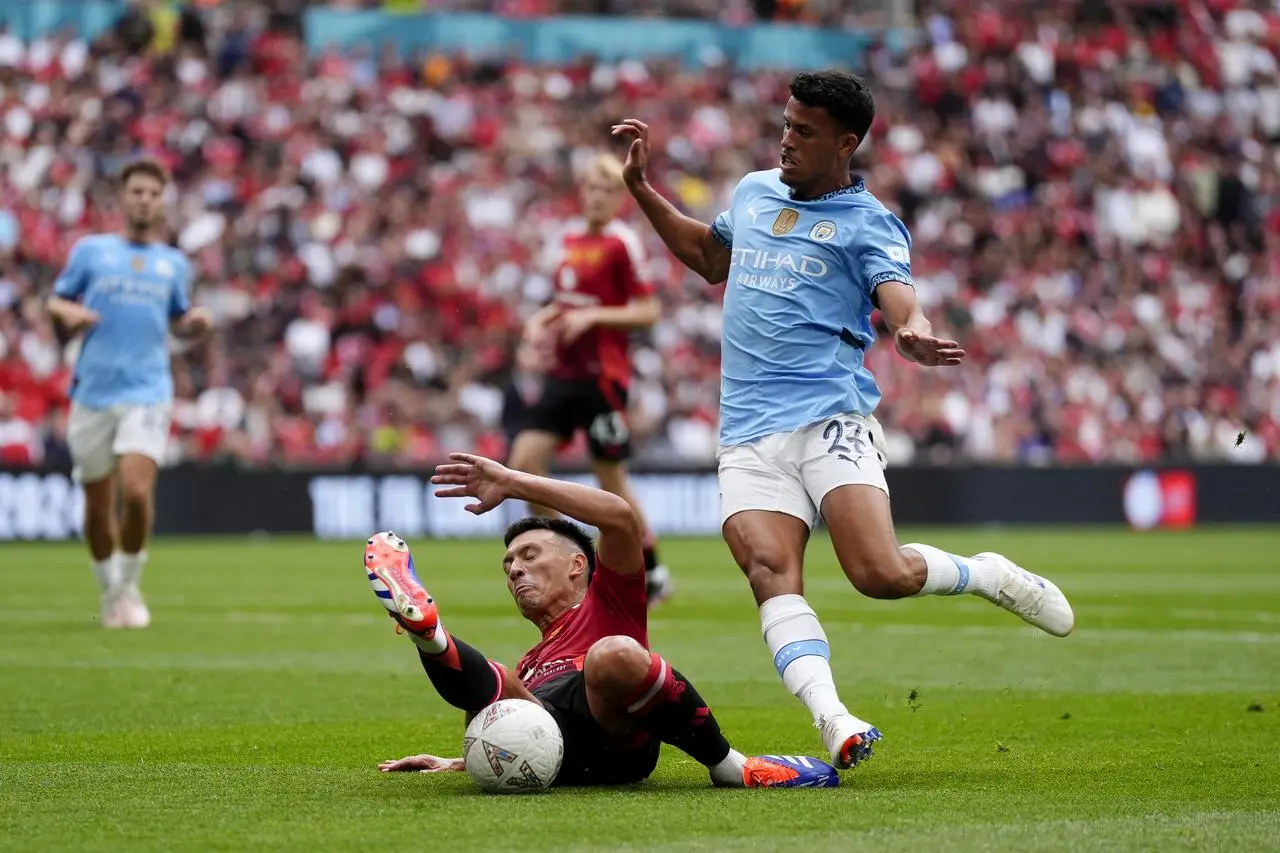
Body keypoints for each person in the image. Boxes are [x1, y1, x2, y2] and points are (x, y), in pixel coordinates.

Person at [611, 70, 1075, 770]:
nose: (785, 141)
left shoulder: (869, 223)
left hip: (831, 414)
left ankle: (985, 573)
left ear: (845, 143)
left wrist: (911, 330)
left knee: (877, 573)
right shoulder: (755, 190)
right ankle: (833, 718)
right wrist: (643, 192)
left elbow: (900, 297)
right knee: (769, 568)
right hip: (746, 428)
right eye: (785, 125)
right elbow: (711, 258)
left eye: (804, 131)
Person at [366, 452, 839, 789]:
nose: (515, 569)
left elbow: (618, 516)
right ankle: (427, 634)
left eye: (529, 555)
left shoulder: (607, 599)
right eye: (508, 564)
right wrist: (461, 760)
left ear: (577, 566)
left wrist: (514, 482)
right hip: (555, 745)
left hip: (617, 728)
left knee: (610, 655)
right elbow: (519, 727)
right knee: (500, 688)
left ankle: (729, 766)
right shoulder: (529, 662)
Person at [46, 158, 212, 628]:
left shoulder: (174, 264)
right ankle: (111, 592)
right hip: (93, 392)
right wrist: (68, 314)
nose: (144, 200)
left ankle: (130, 586)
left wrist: (195, 323)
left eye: (152, 194)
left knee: (136, 492)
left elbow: (178, 318)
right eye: (136, 192)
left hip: (148, 390)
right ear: (122, 198)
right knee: (98, 504)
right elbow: (55, 299)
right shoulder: (91, 251)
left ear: (162, 202)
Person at [504, 153, 673, 609]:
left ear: (620, 197)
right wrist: (541, 321)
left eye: (607, 190)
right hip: (563, 375)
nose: (597, 197)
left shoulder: (622, 243)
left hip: (603, 379)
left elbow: (648, 310)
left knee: (610, 480)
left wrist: (594, 317)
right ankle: (572, 560)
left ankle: (653, 569)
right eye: (591, 189)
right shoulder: (568, 240)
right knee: (524, 466)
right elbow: (566, 302)